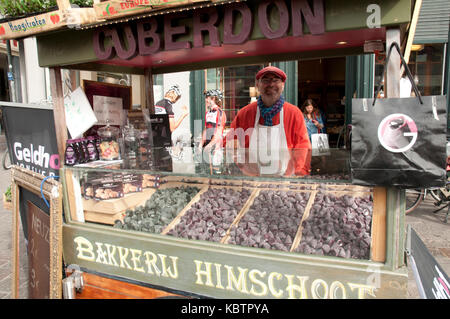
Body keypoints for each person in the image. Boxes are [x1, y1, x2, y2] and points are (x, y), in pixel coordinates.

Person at [225, 66, 311, 176]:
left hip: (285, 179)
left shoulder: (294, 113)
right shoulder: (245, 113)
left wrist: (296, 173)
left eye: (276, 80)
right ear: (257, 85)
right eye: (265, 81)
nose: (271, 84)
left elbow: (303, 146)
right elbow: (231, 141)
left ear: (283, 85)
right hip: (253, 179)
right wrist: (241, 166)